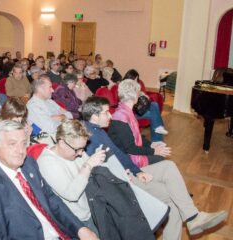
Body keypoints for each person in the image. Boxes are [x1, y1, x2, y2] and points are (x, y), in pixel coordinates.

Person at [82, 96, 228, 239]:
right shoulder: (89, 137)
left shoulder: (98, 131)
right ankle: (193, 217)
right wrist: (126, 175)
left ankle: (193, 217)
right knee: (174, 197)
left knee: (168, 166)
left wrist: (137, 171)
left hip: (126, 174)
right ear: (94, 116)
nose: (110, 115)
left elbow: (119, 154)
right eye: (106, 112)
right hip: (121, 182)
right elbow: (98, 173)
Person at [0, 120, 98, 240]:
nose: (20, 151)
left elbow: (52, 201)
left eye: (23, 143)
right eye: (12, 144)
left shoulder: (29, 164)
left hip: (60, 233)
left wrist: (80, 228)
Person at [37, 120, 106, 236]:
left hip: (92, 207)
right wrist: (88, 165)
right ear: (62, 143)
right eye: (77, 149)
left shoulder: (76, 149)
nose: (80, 153)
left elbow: (92, 173)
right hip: (79, 220)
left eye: (83, 148)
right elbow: (72, 194)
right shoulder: (46, 162)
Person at [121, 69, 168, 142]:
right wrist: (139, 94)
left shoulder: (134, 87)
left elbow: (145, 98)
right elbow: (128, 102)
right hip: (130, 114)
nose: (136, 81)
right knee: (154, 115)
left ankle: (159, 130)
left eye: (137, 79)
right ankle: (157, 140)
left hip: (138, 111)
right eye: (135, 79)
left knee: (154, 105)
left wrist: (143, 95)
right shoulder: (123, 88)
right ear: (130, 78)